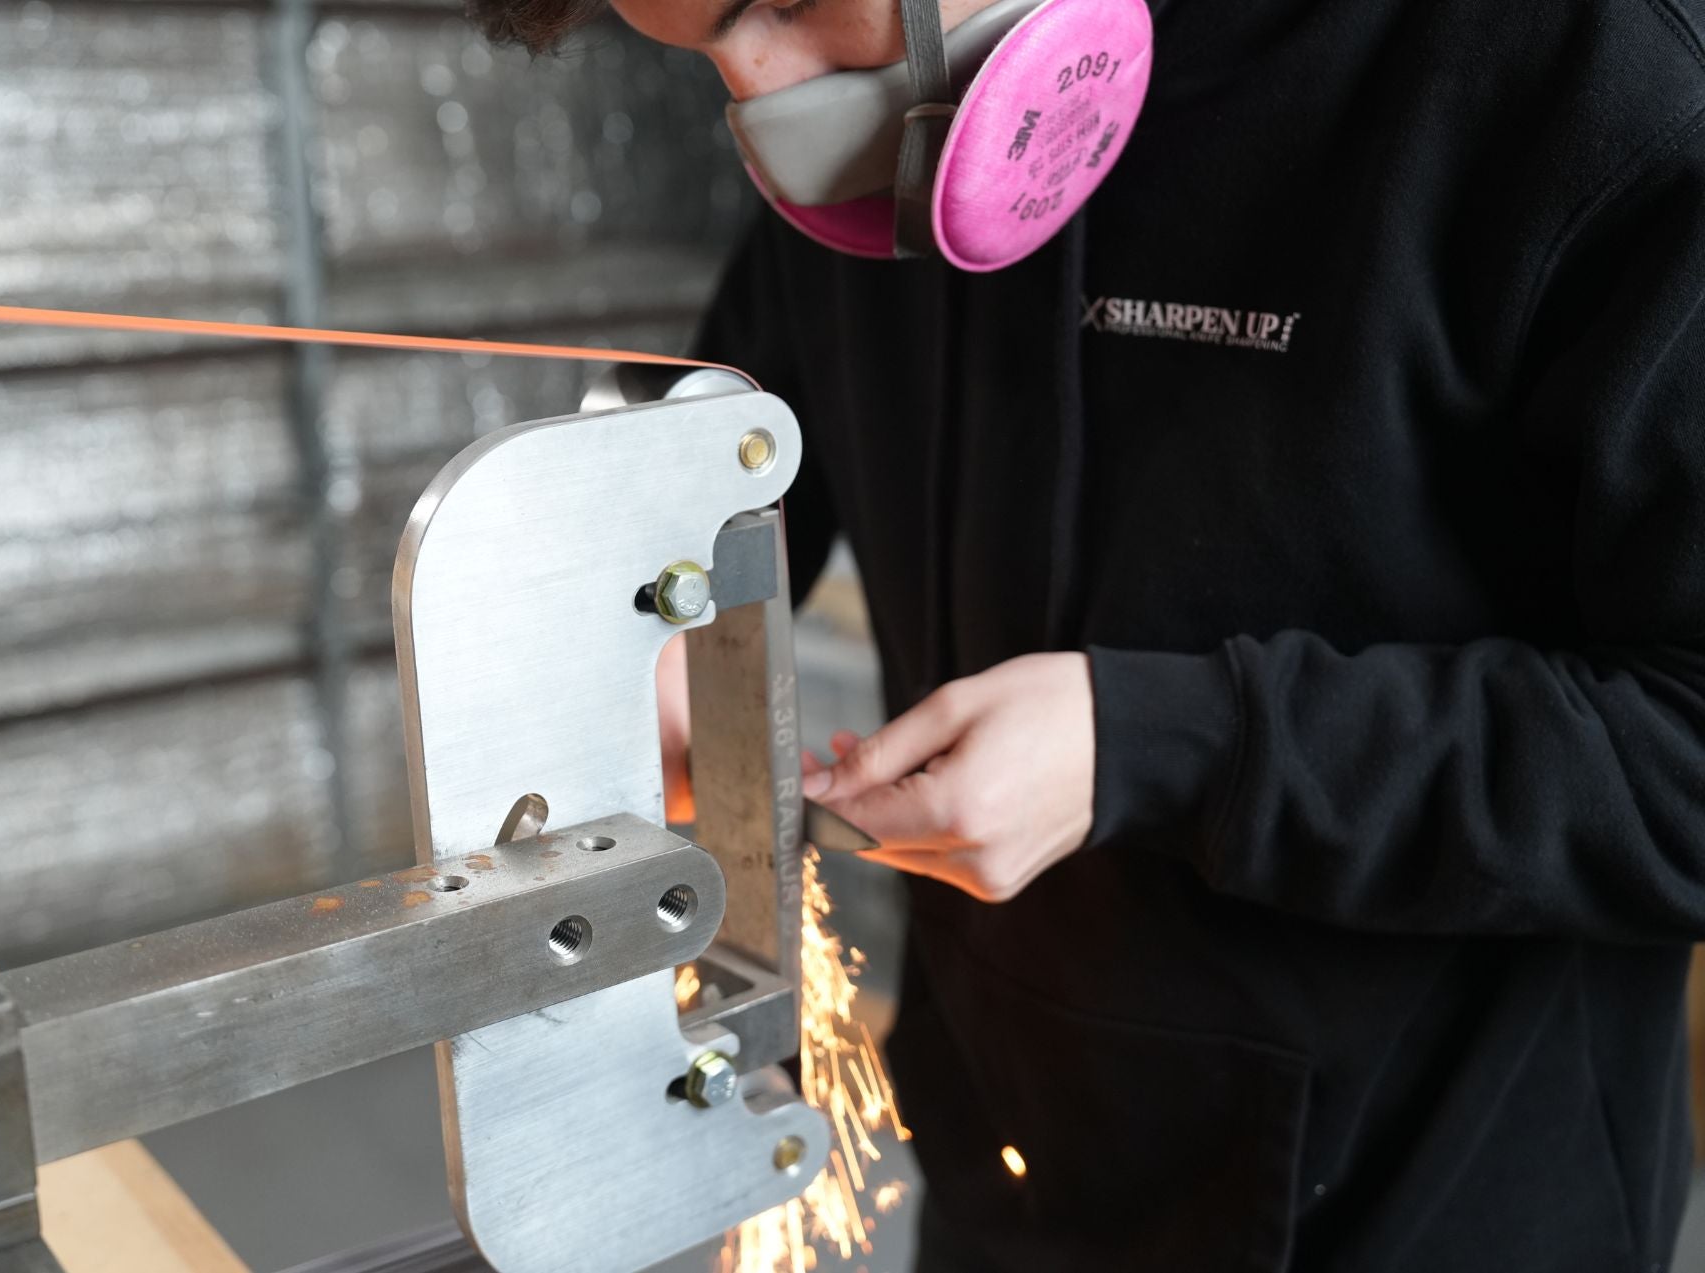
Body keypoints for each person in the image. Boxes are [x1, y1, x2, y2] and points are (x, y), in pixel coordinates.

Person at [471, 0, 1705, 1267]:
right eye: (696, 47)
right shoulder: (866, 141)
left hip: (1428, 1202)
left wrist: (1161, 745)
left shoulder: (1593, 84)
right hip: (1001, 1165)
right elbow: (736, 482)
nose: (760, 92)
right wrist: (660, 646)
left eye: (778, 1)